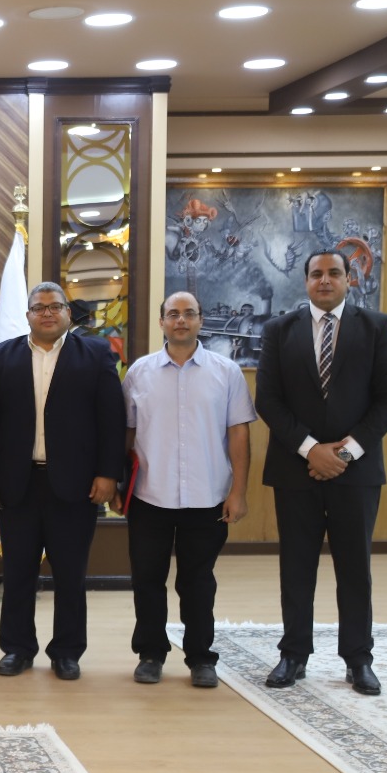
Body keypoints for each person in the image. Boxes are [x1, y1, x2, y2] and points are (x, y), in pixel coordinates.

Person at [256, 250, 387, 695]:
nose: (325, 280)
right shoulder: (279, 330)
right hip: (295, 469)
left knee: (355, 569)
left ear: (348, 279)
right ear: (305, 281)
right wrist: (311, 450)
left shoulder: (376, 327)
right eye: (317, 274)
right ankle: (293, 654)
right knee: (295, 567)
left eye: (334, 273)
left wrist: (345, 453)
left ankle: (358, 659)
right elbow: (268, 401)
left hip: (355, 473)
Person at [0, 281, 125, 682]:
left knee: (70, 575)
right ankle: (17, 649)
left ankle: (67, 652)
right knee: (18, 573)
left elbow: (111, 420)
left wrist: (108, 474)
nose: (46, 313)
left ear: (67, 314)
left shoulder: (95, 354)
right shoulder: (3, 357)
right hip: (17, 484)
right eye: (38, 307)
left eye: (54, 306)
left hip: (76, 486)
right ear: (27, 315)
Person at [121, 291, 256, 688]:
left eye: (189, 313)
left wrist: (238, 491)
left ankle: (201, 657)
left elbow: (239, 434)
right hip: (150, 495)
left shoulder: (226, 372)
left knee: (198, 582)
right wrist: (118, 484)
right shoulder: (139, 373)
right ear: (162, 321)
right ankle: (151, 654)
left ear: (200, 320)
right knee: (147, 579)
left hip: (207, 496)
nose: (181, 320)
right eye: (173, 314)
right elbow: (126, 434)